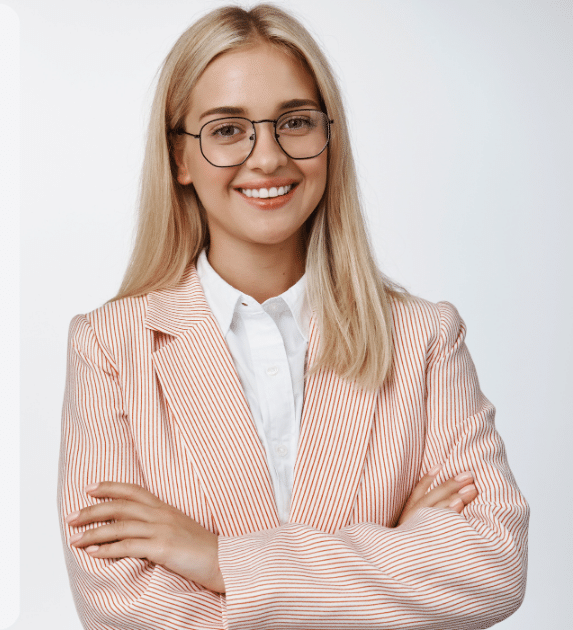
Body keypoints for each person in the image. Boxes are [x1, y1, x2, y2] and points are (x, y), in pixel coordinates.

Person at [57, 4, 528, 628]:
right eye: (228, 129)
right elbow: (120, 605)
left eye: (296, 122)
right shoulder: (111, 348)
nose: (268, 158)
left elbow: (493, 565)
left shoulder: (423, 338)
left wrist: (220, 561)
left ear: (330, 139)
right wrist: (397, 559)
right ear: (180, 159)